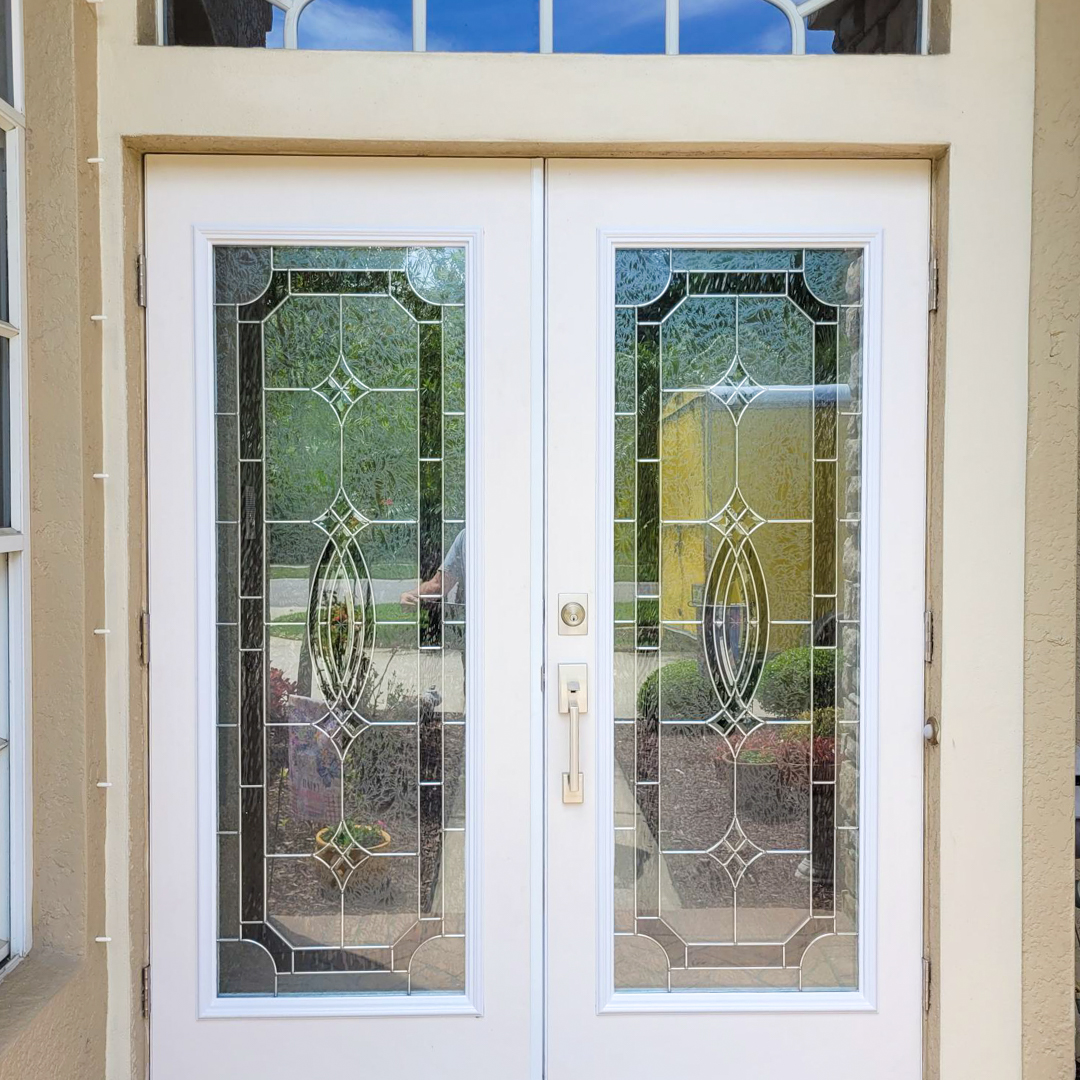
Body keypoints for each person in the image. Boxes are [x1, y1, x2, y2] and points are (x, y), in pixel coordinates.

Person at [400, 528, 465, 619]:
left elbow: (439, 585)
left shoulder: (467, 535)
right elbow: (439, 585)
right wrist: (412, 595)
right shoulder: (466, 536)